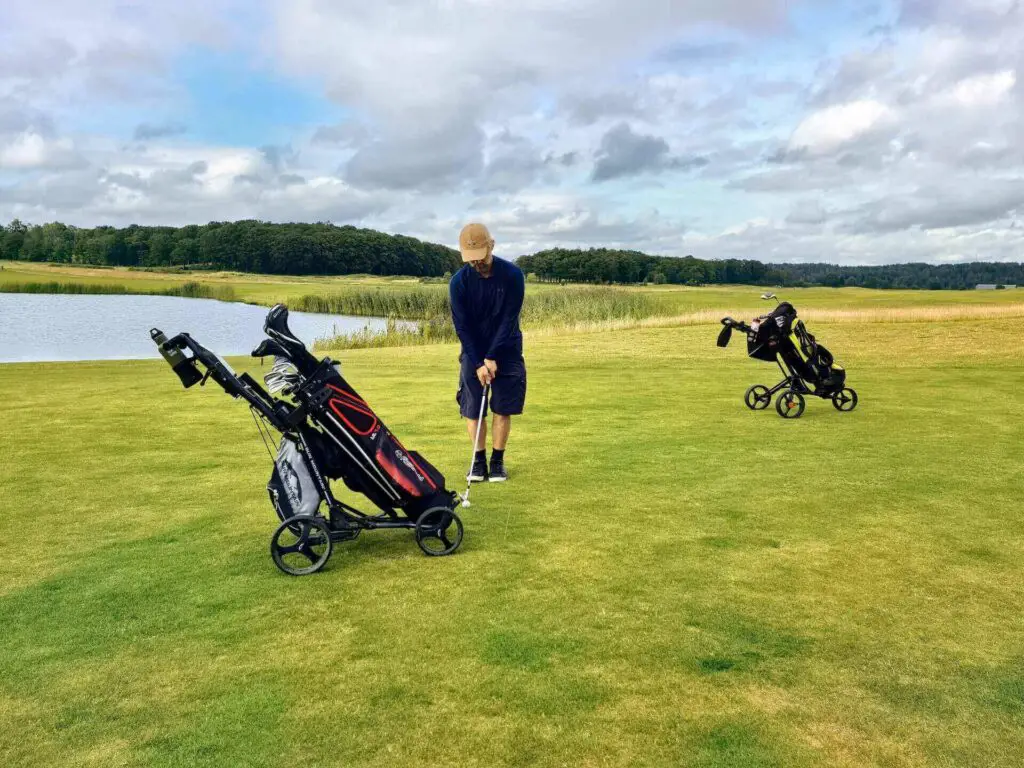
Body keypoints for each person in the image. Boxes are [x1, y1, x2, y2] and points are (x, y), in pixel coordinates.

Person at [450, 222, 526, 483]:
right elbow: (462, 326)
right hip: (473, 350)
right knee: (473, 409)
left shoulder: (513, 275)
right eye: (470, 259)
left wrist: (492, 356)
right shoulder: (458, 282)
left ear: (491, 246)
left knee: (502, 407)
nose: (476, 264)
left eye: (480, 257)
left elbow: (508, 319)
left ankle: (497, 462)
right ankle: (478, 461)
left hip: (507, 349)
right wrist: (479, 361)